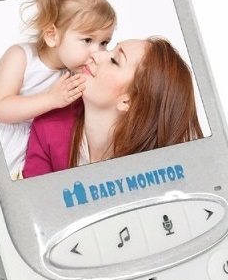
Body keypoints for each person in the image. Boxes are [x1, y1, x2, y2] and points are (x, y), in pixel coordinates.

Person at [22, 37, 203, 178]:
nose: (95, 54)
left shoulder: (155, 173)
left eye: (115, 60)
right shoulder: (47, 125)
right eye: (110, 49)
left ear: (128, 102)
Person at [0, 0, 116, 178]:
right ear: (52, 36)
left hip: (32, 152)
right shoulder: (20, 57)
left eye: (104, 43)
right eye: (87, 40)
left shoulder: (75, 71)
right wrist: (50, 99)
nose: (97, 52)